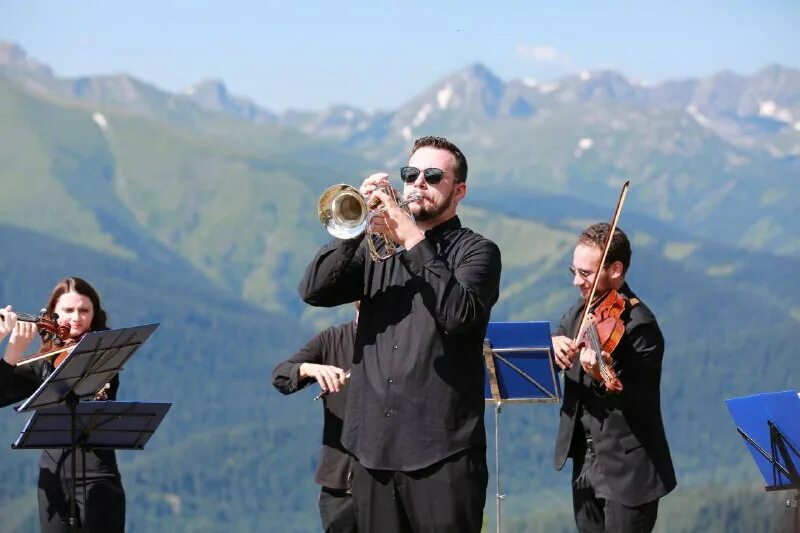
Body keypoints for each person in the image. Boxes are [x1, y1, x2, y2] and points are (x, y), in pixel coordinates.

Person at [299, 135, 502, 532]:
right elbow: (314, 290)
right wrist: (356, 229)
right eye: (410, 174)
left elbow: (459, 315)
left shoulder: (477, 252)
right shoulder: (376, 249)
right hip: (371, 452)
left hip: (442, 454)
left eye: (432, 176)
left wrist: (411, 238)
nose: (417, 184)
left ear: (458, 191)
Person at [551, 223, 676, 533]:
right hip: (584, 461)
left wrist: (603, 375)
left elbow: (641, 398)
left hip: (628, 470)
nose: (576, 281)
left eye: (586, 274)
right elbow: (558, 336)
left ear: (616, 269)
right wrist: (553, 346)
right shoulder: (581, 311)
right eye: (574, 271)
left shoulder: (640, 326)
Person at [0, 277, 126, 533]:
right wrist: (11, 349)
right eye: (68, 310)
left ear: (95, 314)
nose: (76, 317)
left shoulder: (107, 355)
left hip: (98, 475)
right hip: (53, 475)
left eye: (84, 310)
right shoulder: (44, 362)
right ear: (53, 314)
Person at [271, 303, 359, 533]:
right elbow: (280, 375)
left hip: (387, 481)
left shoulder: (398, 343)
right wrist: (309, 369)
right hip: (340, 485)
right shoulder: (332, 339)